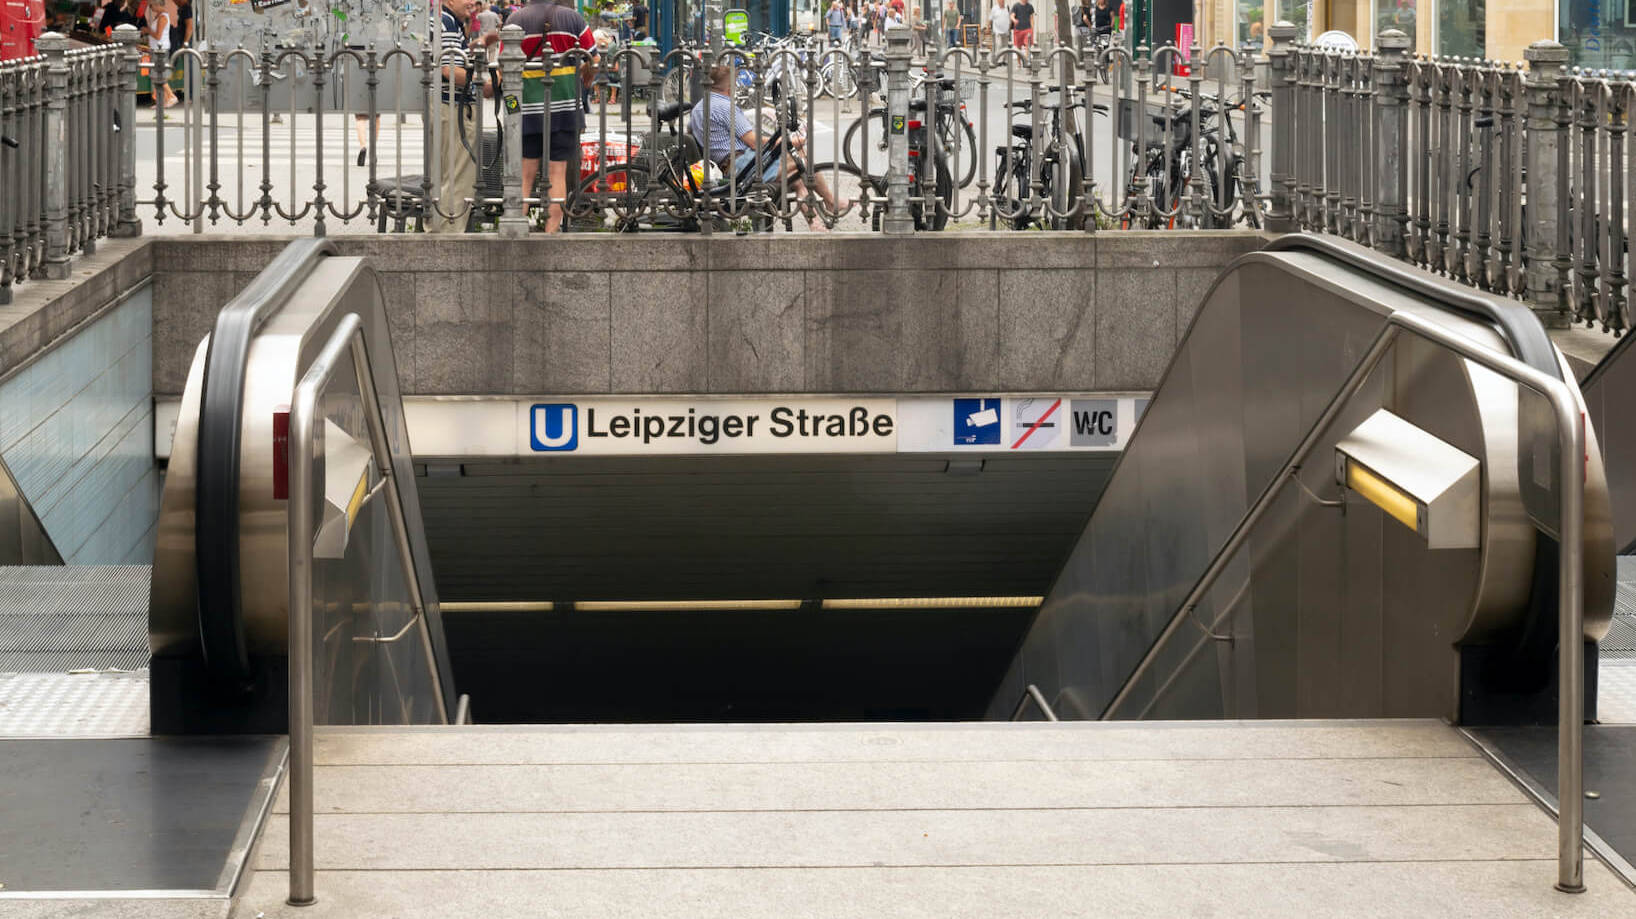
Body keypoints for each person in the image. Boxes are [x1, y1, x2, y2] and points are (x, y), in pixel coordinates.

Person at [688, 64, 838, 233]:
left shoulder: (699, 107)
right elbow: (753, 142)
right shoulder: (725, 107)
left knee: (796, 179)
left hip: (725, 164)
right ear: (730, 86)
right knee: (802, 160)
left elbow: (691, 131)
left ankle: (815, 224)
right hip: (740, 165)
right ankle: (831, 202)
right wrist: (787, 142)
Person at [506, 0, 595, 233]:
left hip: (527, 110)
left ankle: (516, 230)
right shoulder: (572, 19)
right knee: (558, 172)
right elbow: (594, 59)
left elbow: (505, 70)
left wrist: (512, 110)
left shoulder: (516, 20)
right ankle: (551, 232)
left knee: (525, 175)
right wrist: (585, 78)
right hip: (565, 108)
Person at [433, 0, 496, 233]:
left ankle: (439, 232)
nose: (474, 3)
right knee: (458, 176)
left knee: (445, 176)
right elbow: (448, 68)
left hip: (447, 104)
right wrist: (484, 83)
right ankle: (450, 235)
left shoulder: (450, 21)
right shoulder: (445, 21)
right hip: (452, 106)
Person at [144, 1, 177, 109]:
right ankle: (161, 101)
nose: (150, 8)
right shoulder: (158, 16)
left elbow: (158, 35)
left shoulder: (162, 17)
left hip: (160, 49)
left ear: (158, 5)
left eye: (151, 5)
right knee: (156, 75)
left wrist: (148, 30)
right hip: (156, 48)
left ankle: (171, 96)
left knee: (158, 75)